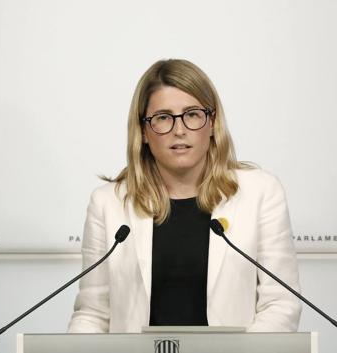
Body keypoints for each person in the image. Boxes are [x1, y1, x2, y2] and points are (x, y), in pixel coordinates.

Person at [68, 59, 301, 333]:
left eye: (192, 114)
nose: (179, 130)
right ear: (143, 130)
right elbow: (94, 313)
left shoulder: (261, 193)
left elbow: (280, 304)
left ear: (212, 122)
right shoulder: (108, 203)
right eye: (163, 117)